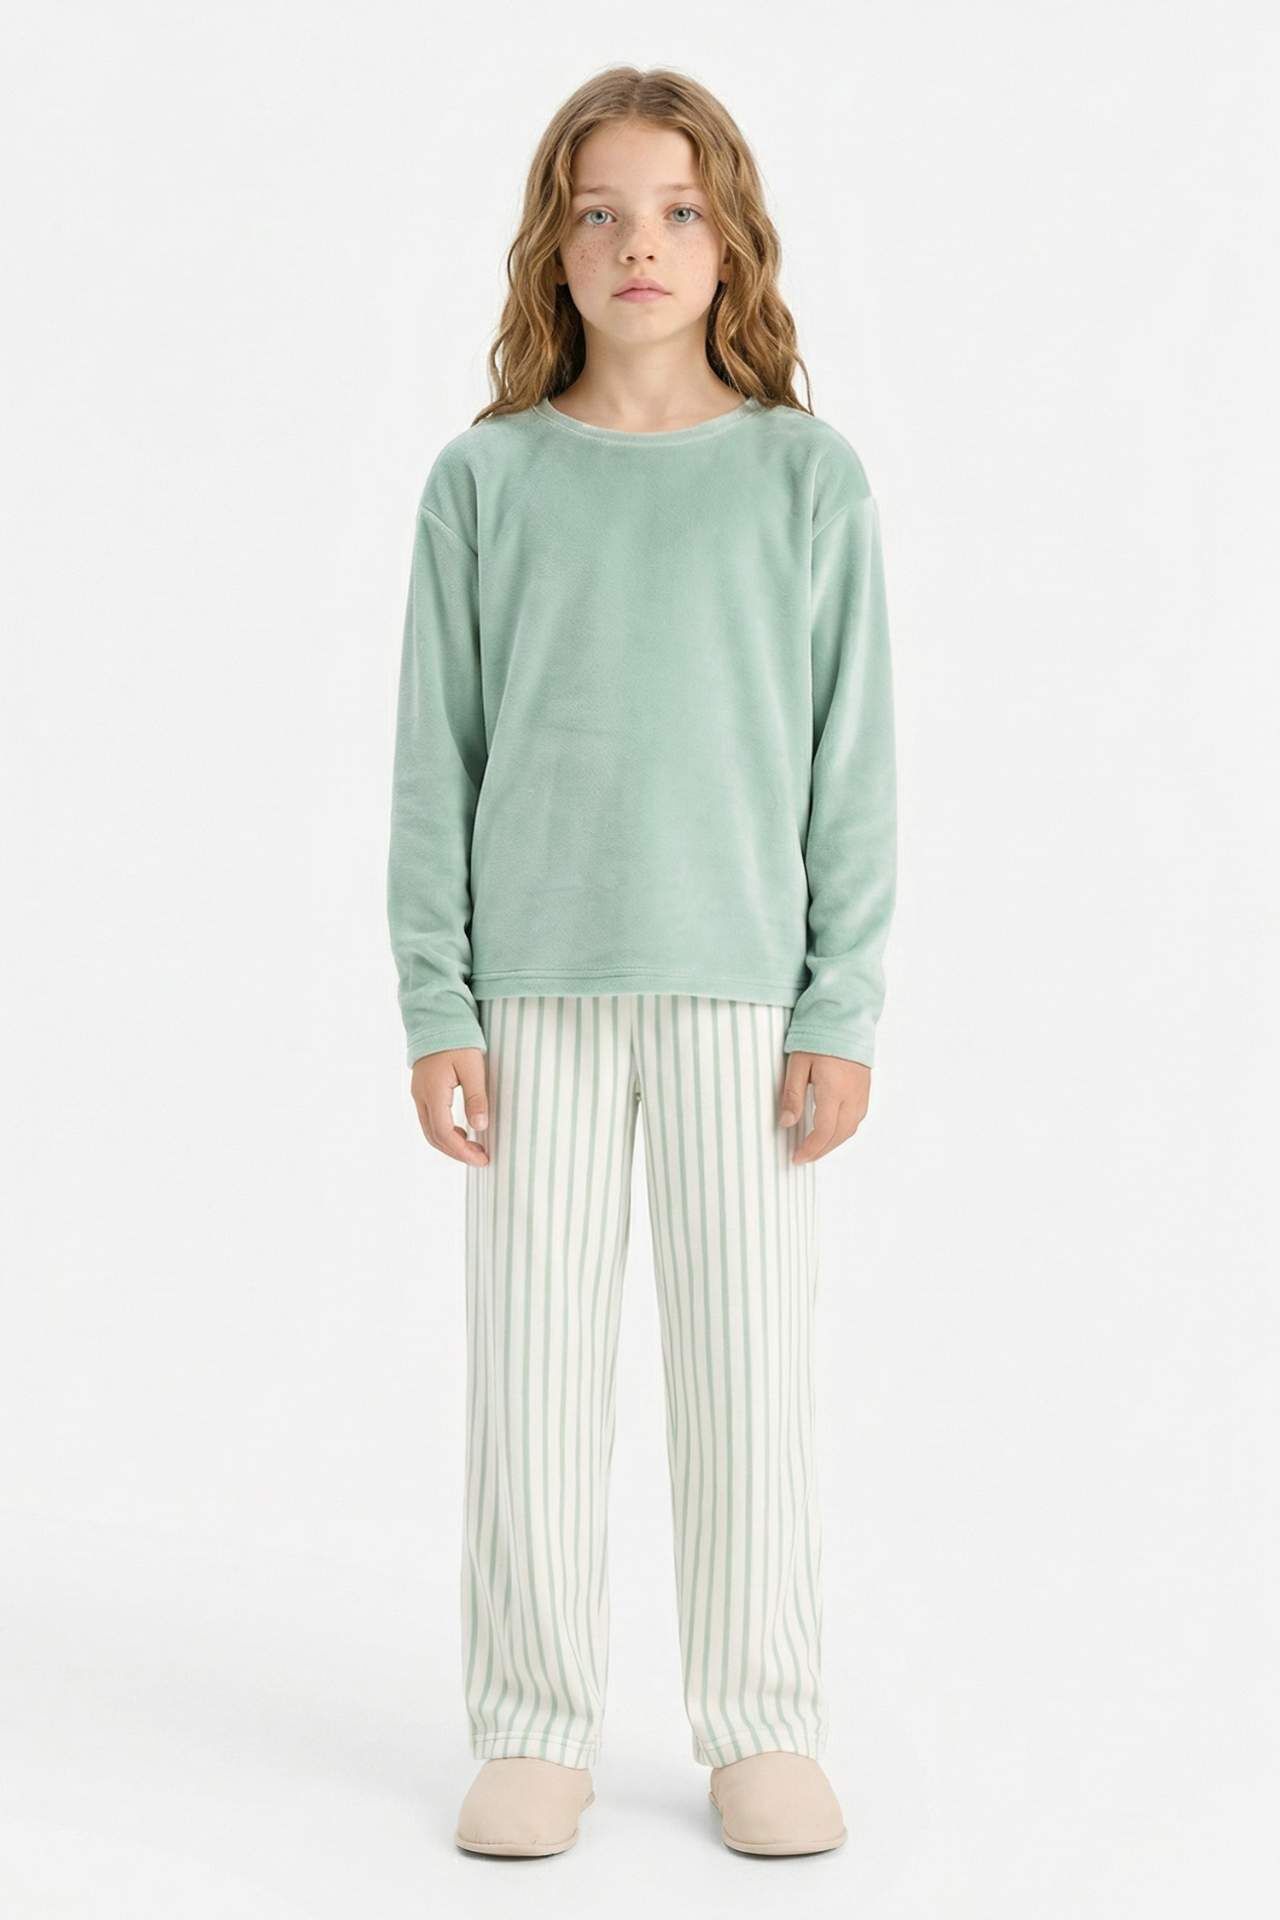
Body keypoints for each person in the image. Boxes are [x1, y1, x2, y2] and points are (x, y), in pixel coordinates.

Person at [386, 65, 897, 1860]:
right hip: (531, 993)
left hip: (743, 996)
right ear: (556, 245)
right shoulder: (487, 481)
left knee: (746, 1375)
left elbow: (852, 763)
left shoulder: (804, 478)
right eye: (600, 212)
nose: (639, 245)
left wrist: (839, 1004)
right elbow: (435, 759)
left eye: (677, 211)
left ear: (730, 239)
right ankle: (533, 1725)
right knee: (531, 1380)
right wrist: (435, 1001)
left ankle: (762, 1721)